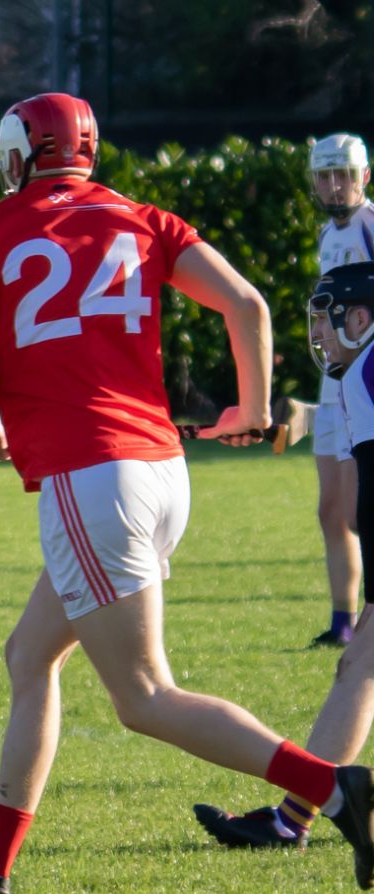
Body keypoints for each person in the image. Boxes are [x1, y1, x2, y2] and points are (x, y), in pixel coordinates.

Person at [0, 93, 374, 894]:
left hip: (91, 480)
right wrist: (253, 409)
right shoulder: (144, 217)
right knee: (28, 655)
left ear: (18, 156)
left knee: (144, 697)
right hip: (158, 472)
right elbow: (246, 305)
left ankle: (332, 789)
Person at [194, 263, 374, 851]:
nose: (317, 335)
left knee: (360, 672)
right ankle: (292, 818)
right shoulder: (360, 372)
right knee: (358, 671)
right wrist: (298, 420)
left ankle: (293, 819)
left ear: (361, 318)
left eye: (326, 321)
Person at [306, 134, 373, 648]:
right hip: (334, 384)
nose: (335, 185)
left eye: (343, 174)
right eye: (325, 175)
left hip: (362, 383)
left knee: (357, 509)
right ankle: (343, 622)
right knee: (331, 510)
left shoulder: (371, 224)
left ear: (363, 176)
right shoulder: (327, 234)